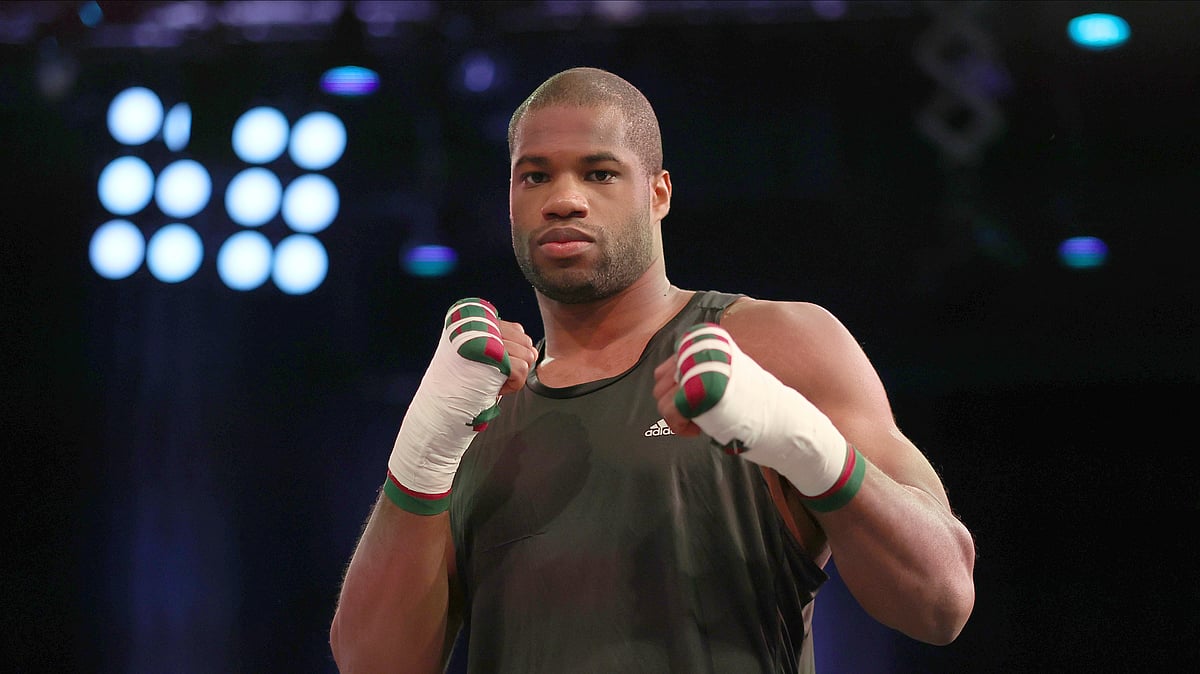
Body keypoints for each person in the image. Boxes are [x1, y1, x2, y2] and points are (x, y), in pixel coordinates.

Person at [330, 66, 976, 673]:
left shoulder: (776, 342)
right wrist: (423, 449)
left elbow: (940, 599)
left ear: (658, 192)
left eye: (599, 173)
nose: (564, 200)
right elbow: (370, 663)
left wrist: (799, 437)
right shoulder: (476, 403)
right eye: (535, 176)